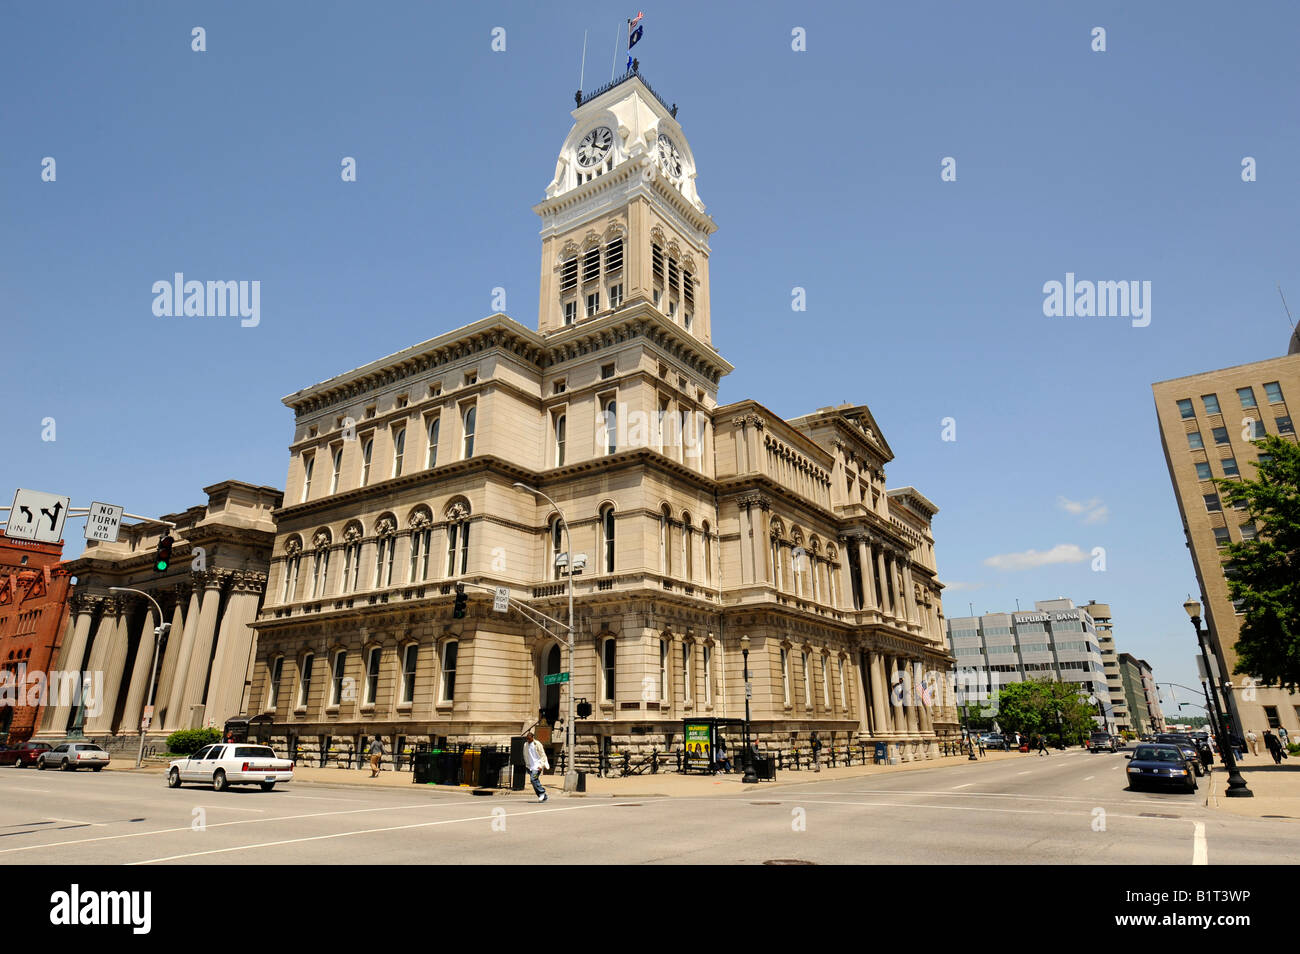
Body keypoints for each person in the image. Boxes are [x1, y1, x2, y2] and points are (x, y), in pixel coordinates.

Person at [524, 730, 549, 802]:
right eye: (527, 739)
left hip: (537, 766)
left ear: (532, 738)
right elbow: (525, 755)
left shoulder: (537, 744)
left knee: (533, 779)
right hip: (530, 767)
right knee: (534, 781)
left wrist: (541, 765)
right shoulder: (525, 745)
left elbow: (543, 755)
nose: (528, 740)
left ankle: (542, 792)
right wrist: (527, 765)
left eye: (529, 739)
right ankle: (543, 796)